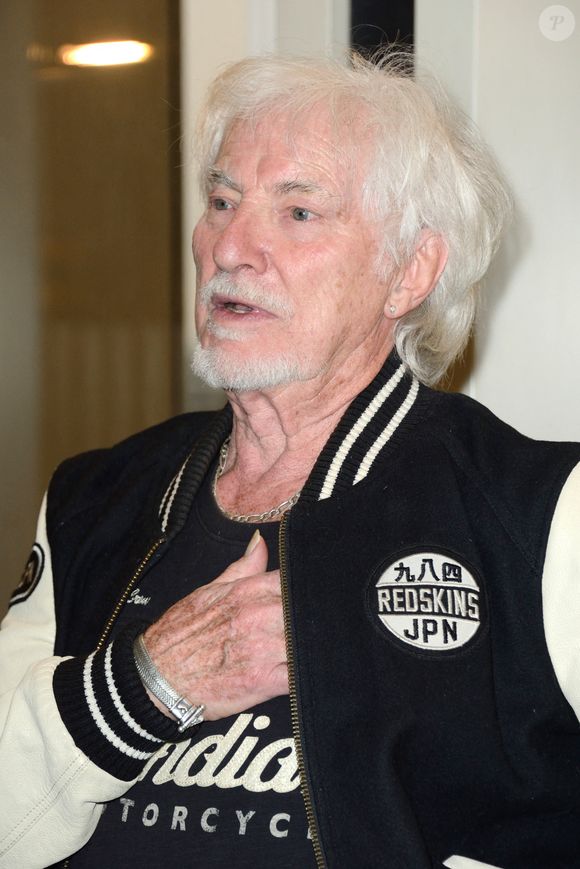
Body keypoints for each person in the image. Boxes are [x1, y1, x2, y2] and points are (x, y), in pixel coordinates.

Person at [1, 51, 579, 869]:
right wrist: (147, 686)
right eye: (221, 201)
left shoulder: (542, 513)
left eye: (299, 212)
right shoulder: (93, 498)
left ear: (409, 271)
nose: (231, 247)